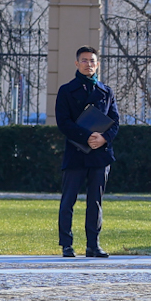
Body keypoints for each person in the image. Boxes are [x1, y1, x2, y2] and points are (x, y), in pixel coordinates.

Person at [55, 45, 117, 258]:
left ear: (97, 64)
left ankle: (93, 244)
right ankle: (66, 244)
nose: (88, 64)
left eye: (92, 61)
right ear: (76, 63)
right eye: (84, 60)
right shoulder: (66, 90)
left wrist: (103, 138)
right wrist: (86, 137)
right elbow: (63, 122)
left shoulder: (106, 91)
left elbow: (115, 122)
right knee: (68, 200)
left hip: (100, 154)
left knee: (95, 201)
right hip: (76, 151)